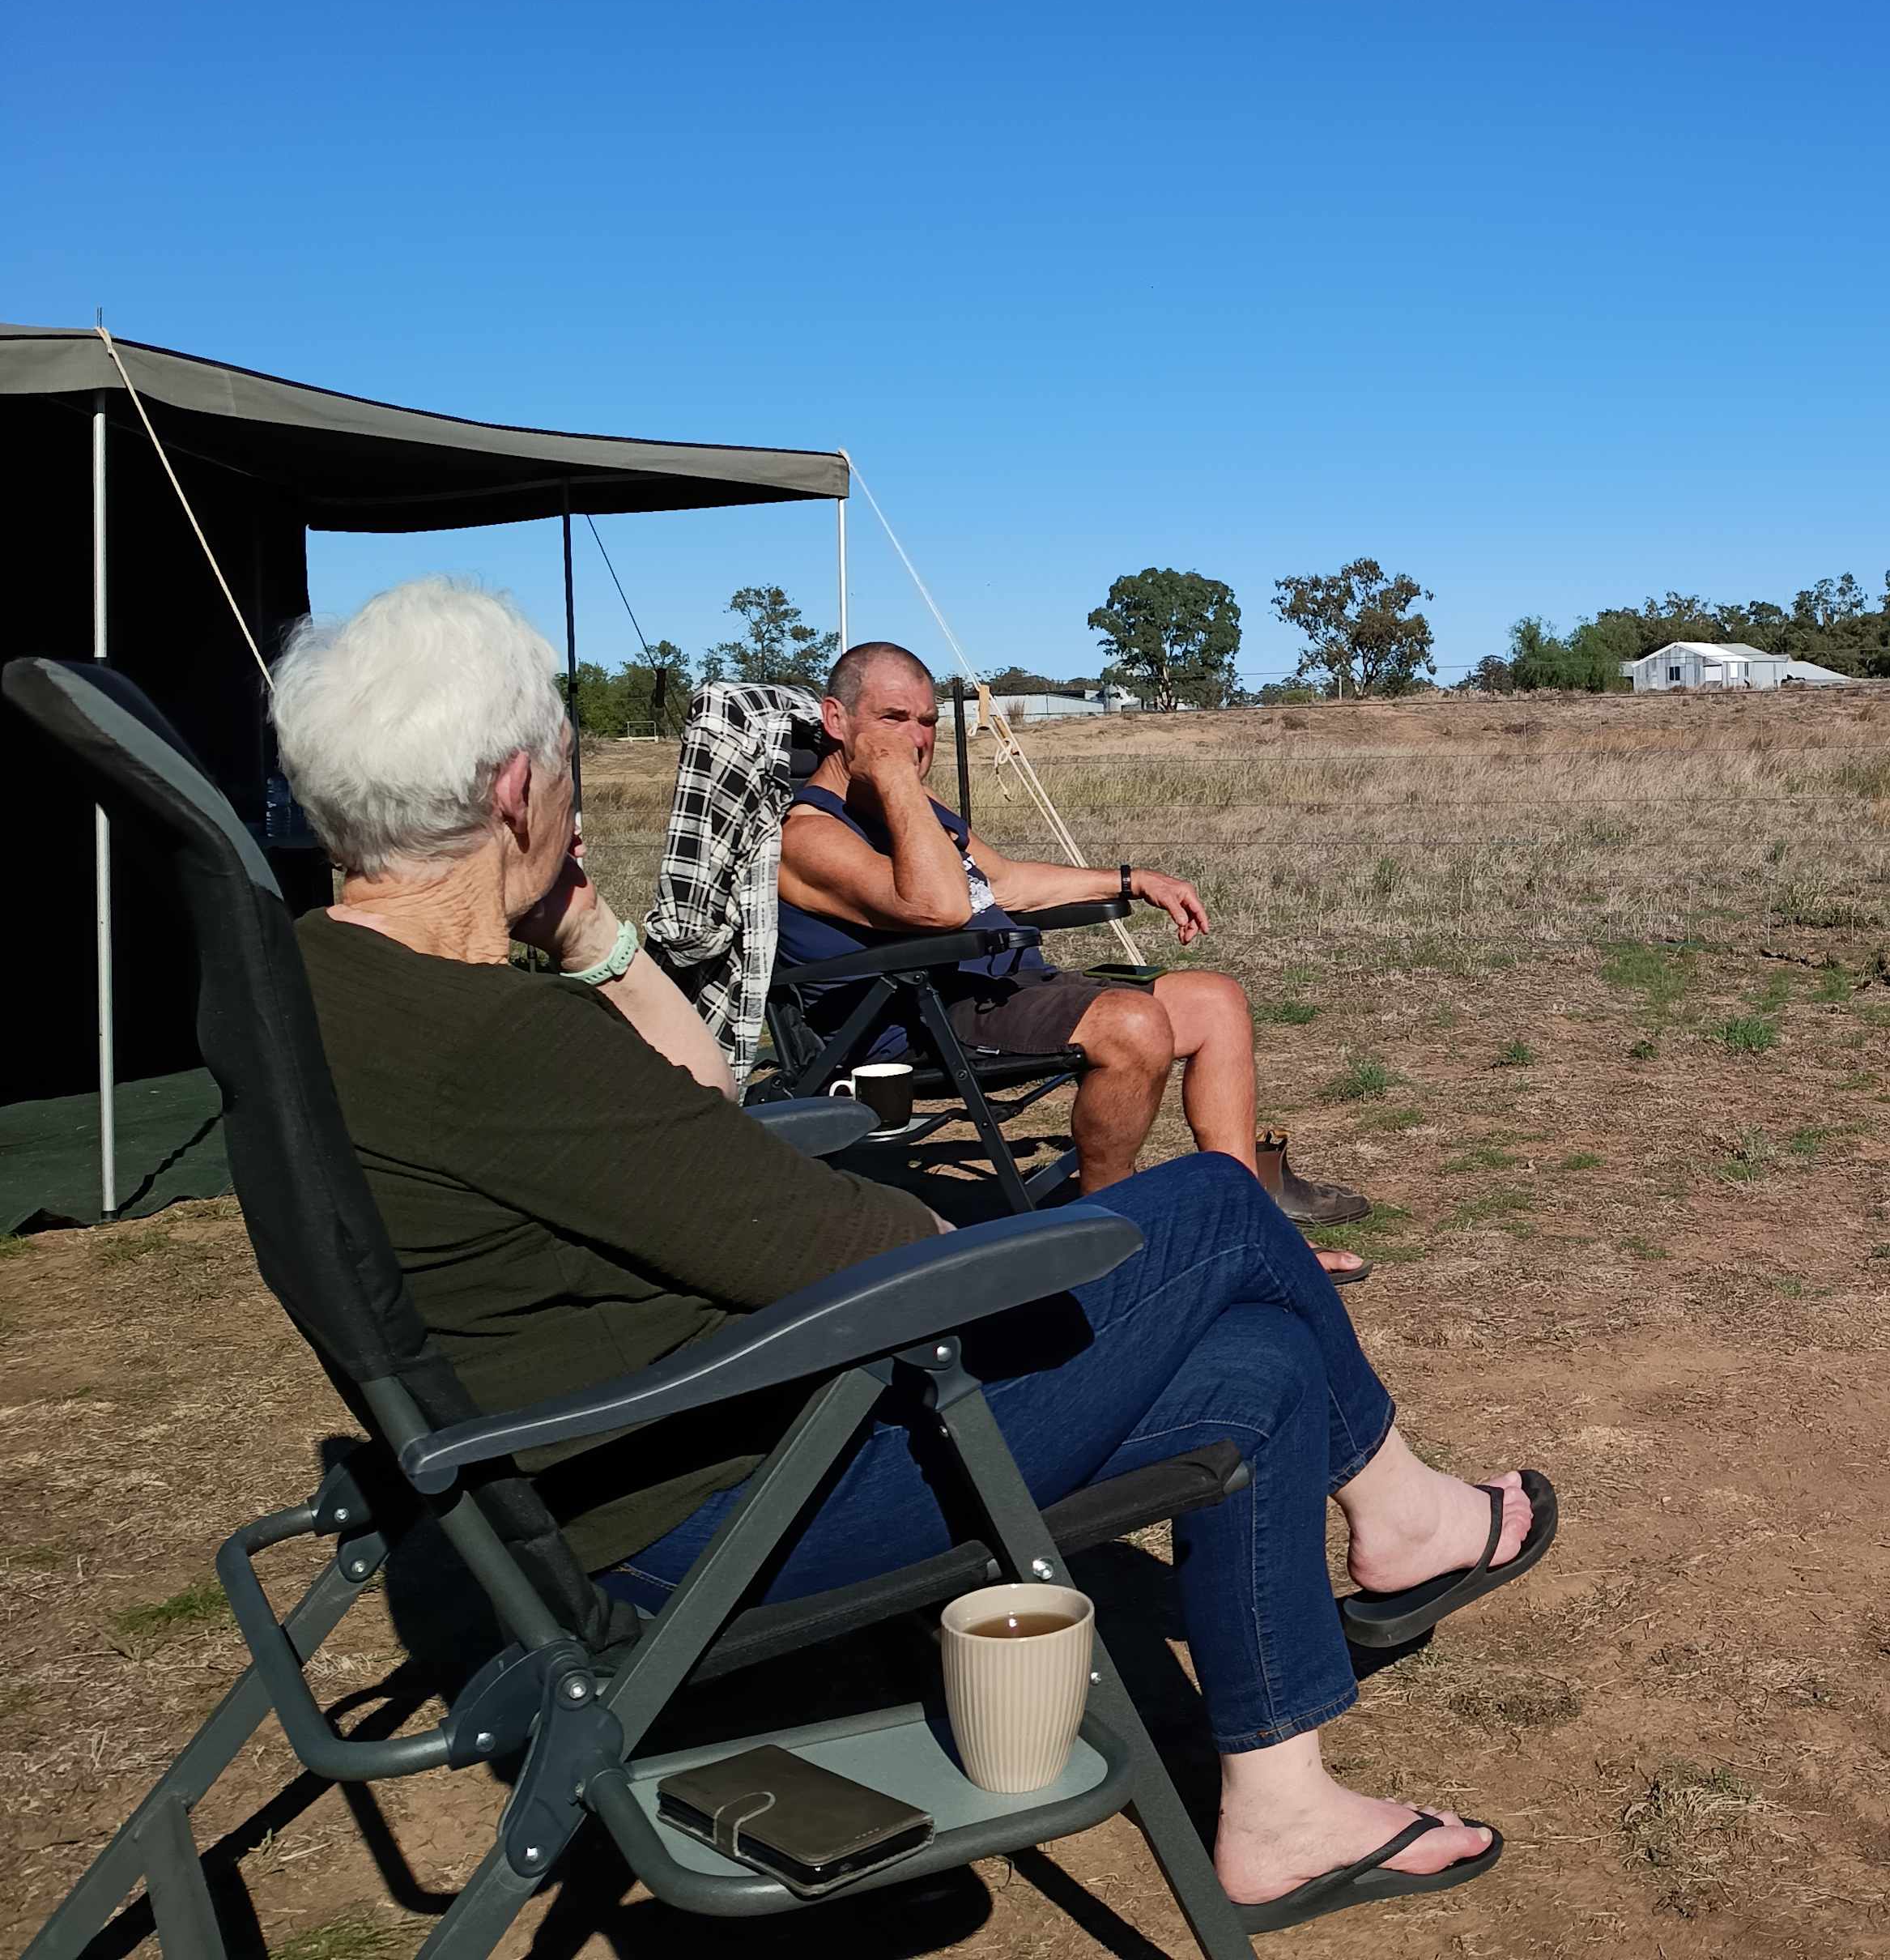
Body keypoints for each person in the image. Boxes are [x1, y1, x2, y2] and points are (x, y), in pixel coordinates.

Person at [268, 579, 1552, 1929]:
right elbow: (893, 1250)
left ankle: (1283, 1809)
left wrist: (586, 933)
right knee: (1221, 1216)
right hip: (720, 1514)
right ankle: (1406, 1513)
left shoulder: (325, 981)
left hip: (600, 1469)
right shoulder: (505, 1052)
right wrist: (979, 1258)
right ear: (521, 785)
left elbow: (695, 1104)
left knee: (1258, 1366)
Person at [779, 641, 1370, 1251]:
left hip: (1001, 990)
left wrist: (1130, 879)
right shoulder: (810, 836)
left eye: (927, 722)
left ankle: (1253, 1230)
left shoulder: (913, 809)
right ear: (835, 720)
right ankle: (1109, 1239)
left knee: (1215, 1000)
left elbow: (1001, 881)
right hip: (917, 1016)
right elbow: (940, 906)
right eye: (892, 719)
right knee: (1133, 1025)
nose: (916, 740)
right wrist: (898, 779)